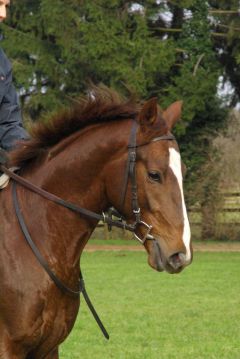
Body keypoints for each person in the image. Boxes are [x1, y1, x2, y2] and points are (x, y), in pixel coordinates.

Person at [0, 0, 29, 163]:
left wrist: (28, 150)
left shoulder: (2, 62)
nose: (3, 14)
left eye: (6, 6)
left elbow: (8, 120)